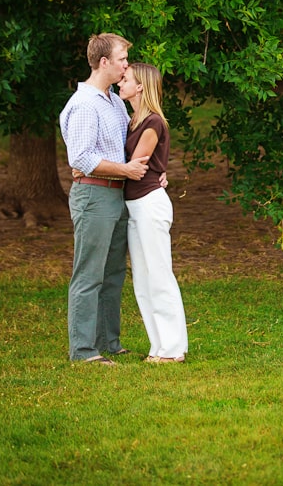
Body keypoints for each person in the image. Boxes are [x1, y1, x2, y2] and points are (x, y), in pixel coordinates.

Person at [59, 33, 150, 366]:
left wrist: (150, 173)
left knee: (113, 274)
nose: (127, 65)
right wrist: (125, 170)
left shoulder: (112, 101)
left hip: (116, 195)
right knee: (89, 274)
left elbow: (129, 143)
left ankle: (108, 342)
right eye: (123, 59)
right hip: (94, 194)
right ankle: (83, 351)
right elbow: (81, 157)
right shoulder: (84, 104)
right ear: (103, 63)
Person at [119, 62, 188, 364]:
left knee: (159, 276)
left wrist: (91, 166)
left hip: (149, 204)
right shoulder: (132, 120)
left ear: (140, 87)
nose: (120, 81)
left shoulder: (153, 123)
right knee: (143, 280)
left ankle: (174, 349)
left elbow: (134, 167)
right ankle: (158, 346)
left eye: (126, 79)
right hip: (135, 207)